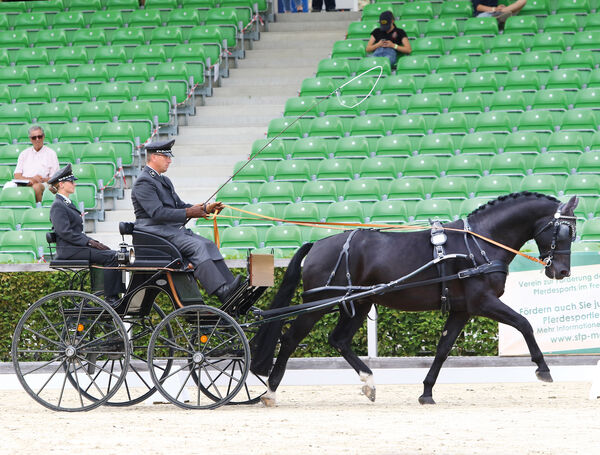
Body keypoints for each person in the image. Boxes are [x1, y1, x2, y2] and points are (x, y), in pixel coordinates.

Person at [131, 139, 244, 303]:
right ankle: (222, 292)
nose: (169, 160)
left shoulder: (164, 180)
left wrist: (205, 209)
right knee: (197, 247)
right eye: (166, 157)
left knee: (208, 244)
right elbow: (157, 213)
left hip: (170, 231)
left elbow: (179, 206)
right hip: (154, 232)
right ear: (154, 157)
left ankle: (231, 288)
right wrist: (190, 212)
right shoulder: (144, 182)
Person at [48, 164, 123, 305]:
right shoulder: (58, 205)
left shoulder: (67, 203)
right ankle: (111, 297)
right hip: (69, 250)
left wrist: (94, 242)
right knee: (112, 257)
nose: (74, 184)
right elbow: (65, 232)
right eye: (71, 181)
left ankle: (112, 293)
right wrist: (88, 242)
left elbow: (75, 232)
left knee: (113, 254)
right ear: (62, 185)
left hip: (75, 247)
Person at [5, 125, 59, 203]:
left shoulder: (51, 154)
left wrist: (41, 179)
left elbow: (54, 177)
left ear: (43, 137)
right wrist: (31, 179)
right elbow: (17, 175)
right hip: (25, 182)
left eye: (39, 137)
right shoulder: (24, 154)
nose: (37, 140)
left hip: (43, 183)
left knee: (36, 187)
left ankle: (38, 209)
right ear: (30, 139)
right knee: (8, 186)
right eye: (34, 137)